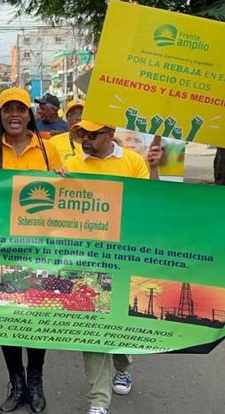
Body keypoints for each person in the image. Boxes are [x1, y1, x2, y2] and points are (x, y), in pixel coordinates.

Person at [0, 87, 61, 414]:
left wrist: (65, 179)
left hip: (39, 249)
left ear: (29, 114)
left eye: (20, 109)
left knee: (36, 318)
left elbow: (66, 195)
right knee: (6, 319)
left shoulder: (48, 151)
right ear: (1, 116)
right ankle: (16, 382)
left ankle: (35, 381)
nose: (14, 114)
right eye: (8, 109)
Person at [63, 119, 162, 414]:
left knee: (119, 329)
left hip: (123, 257)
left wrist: (154, 169)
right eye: (81, 133)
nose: (86, 139)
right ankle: (98, 401)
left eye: (93, 134)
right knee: (92, 329)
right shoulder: (71, 163)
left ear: (110, 135)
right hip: (86, 260)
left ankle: (123, 364)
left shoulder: (133, 162)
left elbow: (154, 202)